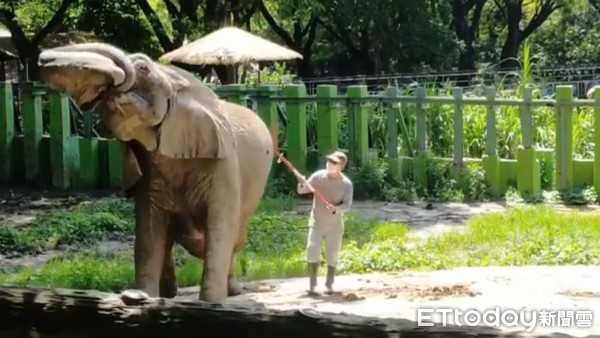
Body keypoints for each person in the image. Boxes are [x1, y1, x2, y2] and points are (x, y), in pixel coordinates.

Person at [296, 150, 354, 295]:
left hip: (334, 225)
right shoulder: (318, 176)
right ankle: (312, 284)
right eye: (329, 161)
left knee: (332, 254)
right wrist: (302, 183)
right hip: (317, 222)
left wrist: (336, 208)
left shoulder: (346, 184)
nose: (330, 164)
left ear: (342, 166)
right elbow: (302, 190)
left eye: (334, 162)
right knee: (312, 249)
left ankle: (329, 284)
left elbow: (347, 205)